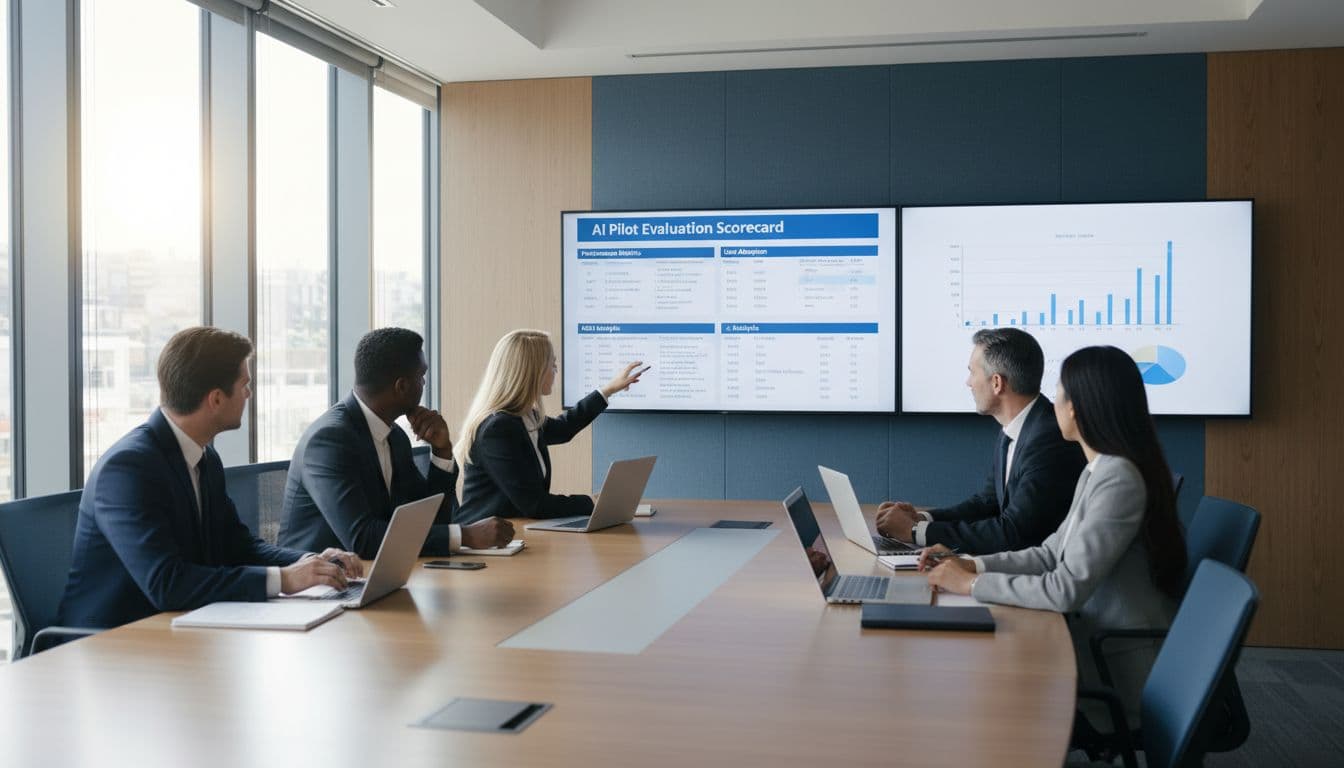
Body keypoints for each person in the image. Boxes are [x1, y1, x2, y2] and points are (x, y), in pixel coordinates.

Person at [923, 344, 1187, 720]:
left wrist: (969, 586)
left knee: (974, 687)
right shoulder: (1099, 469)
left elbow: (1065, 589)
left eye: (1059, 393)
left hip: (1115, 667)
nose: (1052, 402)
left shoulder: (1119, 478)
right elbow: (1048, 554)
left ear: (1078, 406)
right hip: (1089, 639)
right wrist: (969, 565)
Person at [58, 327, 361, 631]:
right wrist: (284, 579)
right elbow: (167, 583)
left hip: (182, 625)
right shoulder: (127, 469)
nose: (249, 394)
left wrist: (311, 562)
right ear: (216, 399)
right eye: (245, 384)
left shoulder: (204, 457)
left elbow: (238, 546)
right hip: (110, 641)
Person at [279, 327, 514, 559]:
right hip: (317, 586)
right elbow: (362, 538)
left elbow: (428, 520)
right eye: (421, 377)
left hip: (375, 575)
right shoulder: (329, 440)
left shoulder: (394, 437)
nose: (424, 383)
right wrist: (465, 536)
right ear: (401, 386)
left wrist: (441, 451)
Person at [876, 327, 1085, 554]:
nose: (968, 382)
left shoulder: (1048, 439)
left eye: (972, 372)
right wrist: (922, 518)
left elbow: (1014, 533)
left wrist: (916, 531)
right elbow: (987, 504)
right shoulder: (1017, 428)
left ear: (997, 383)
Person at [454, 329, 643, 524]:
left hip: (515, 531)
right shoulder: (498, 429)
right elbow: (535, 504)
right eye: (552, 365)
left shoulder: (525, 417)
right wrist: (593, 502)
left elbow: (564, 428)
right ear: (532, 372)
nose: (556, 371)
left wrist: (609, 389)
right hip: (485, 541)